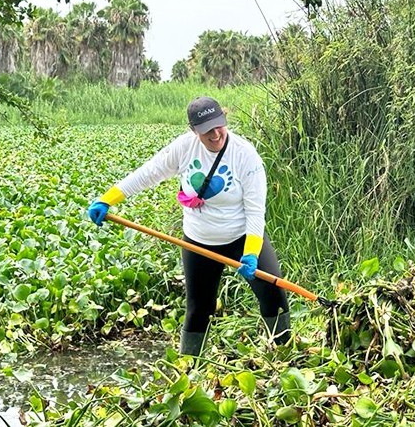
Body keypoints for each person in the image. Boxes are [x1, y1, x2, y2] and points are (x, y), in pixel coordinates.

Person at [86, 96, 291, 356]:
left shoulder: (245, 154)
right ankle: (190, 368)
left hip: (242, 237)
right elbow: (148, 173)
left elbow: (255, 209)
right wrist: (108, 198)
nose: (215, 134)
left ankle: (285, 357)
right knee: (199, 308)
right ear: (194, 131)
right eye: (207, 130)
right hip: (198, 240)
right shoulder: (184, 148)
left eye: (219, 125)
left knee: (274, 295)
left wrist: (250, 251)